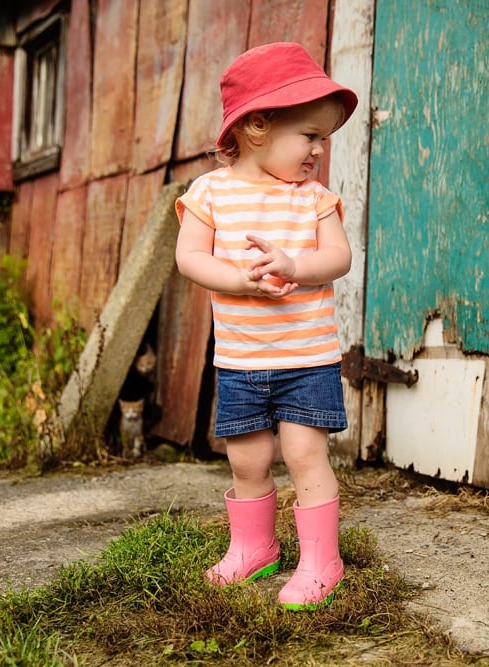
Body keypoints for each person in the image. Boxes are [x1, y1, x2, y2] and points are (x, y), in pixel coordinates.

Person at [174, 42, 358, 611]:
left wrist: (295, 267)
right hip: (241, 362)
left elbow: (340, 257)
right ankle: (255, 548)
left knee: (305, 457)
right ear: (257, 126)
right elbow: (189, 258)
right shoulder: (211, 192)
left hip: (306, 359)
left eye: (324, 138)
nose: (319, 150)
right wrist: (238, 280)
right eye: (309, 135)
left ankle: (322, 561)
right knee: (247, 461)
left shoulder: (315, 200)